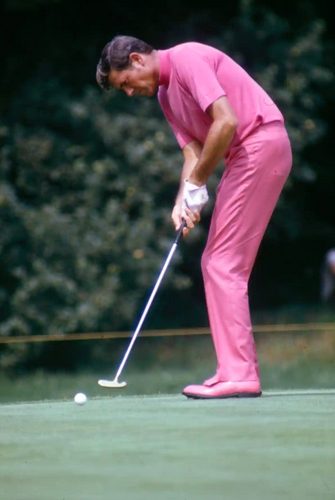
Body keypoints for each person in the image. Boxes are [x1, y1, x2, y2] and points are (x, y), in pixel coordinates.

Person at [96, 36, 292, 399]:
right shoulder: (164, 95)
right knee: (215, 262)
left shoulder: (186, 58)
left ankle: (239, 374)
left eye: (125, 83)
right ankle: (233, 370)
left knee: (222, 263)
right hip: (247, 156)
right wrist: (183, 200)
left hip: (260, 145)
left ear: (137, 60)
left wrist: (199, 182)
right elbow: (193, 153)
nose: (128, 93)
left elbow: (226, 122)